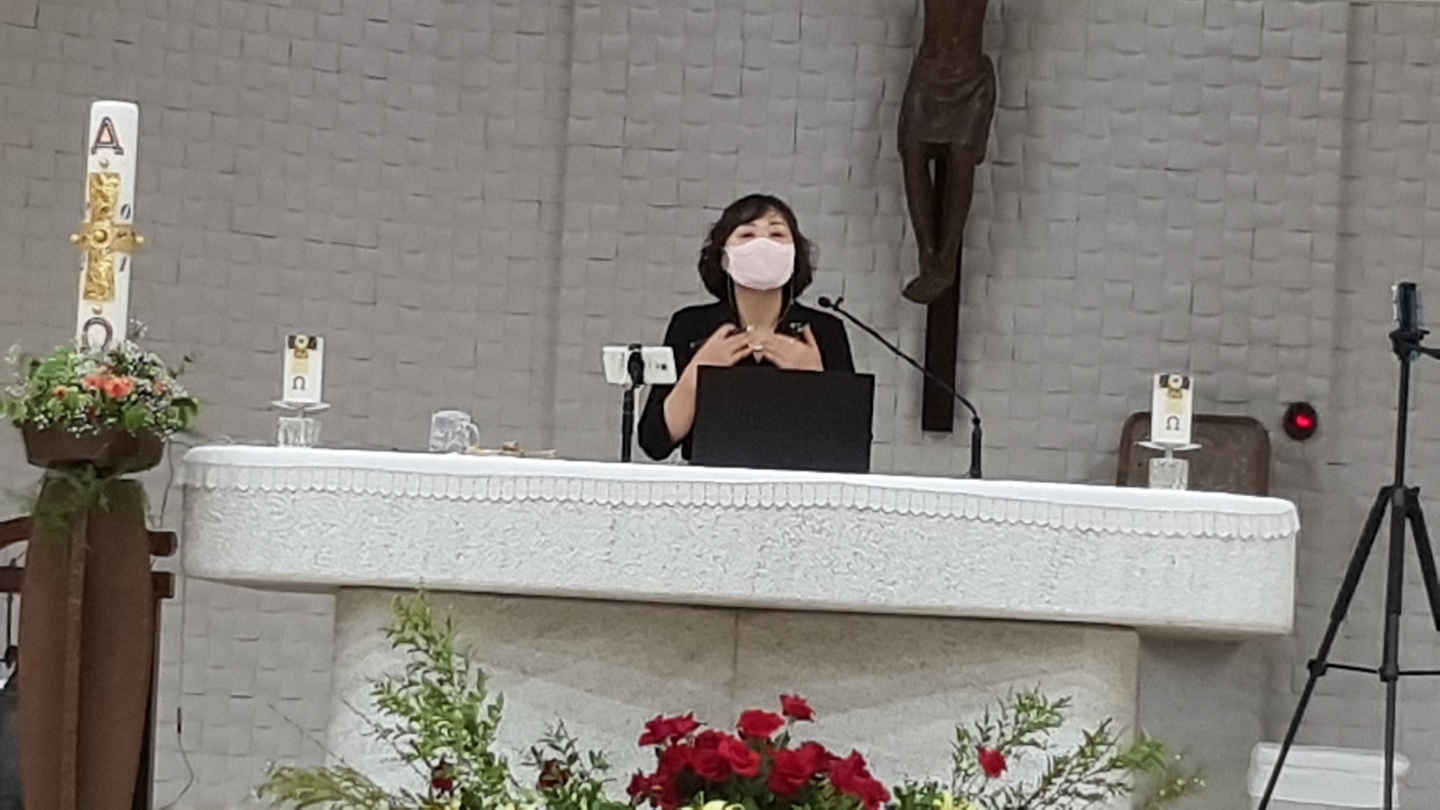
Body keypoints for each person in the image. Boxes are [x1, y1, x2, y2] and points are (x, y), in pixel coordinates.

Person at [637, 194, 855, 461]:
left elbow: (850, 445)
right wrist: (698, 371)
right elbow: (654, 442)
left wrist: (815, 383)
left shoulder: (824, 331)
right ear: (724, 257)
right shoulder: (691, 326)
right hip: (710, 481)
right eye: (747, 235)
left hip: (798, 481)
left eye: (776, 234)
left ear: (794, 255)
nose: (763, 244)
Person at [897, 0, 996, 305]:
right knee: (912, 151)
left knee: (962, 156)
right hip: (929, 74)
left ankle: (946, 259)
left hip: (971, 77)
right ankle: (927, 256)